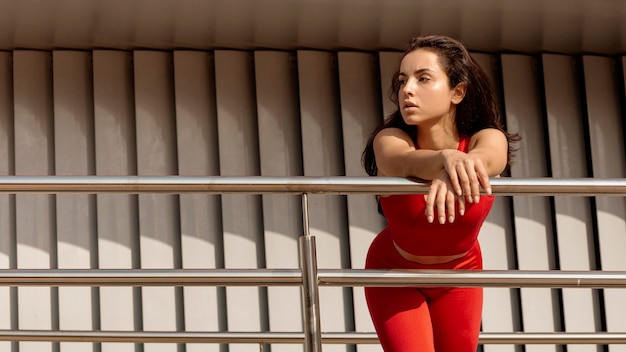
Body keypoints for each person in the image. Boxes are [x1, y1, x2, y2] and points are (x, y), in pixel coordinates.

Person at [361, 34, 520, 351]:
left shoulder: (484, 138)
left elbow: (492, 156)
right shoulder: (390, 138)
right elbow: (402, 160)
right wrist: (444, 160)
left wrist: (459, 166)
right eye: (403, 80)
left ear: (457, 92)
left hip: (461, 273)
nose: (407, 89)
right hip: (395, 270)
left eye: (423, 79)